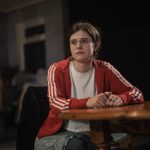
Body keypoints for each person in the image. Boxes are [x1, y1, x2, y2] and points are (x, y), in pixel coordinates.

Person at [34, 21, 144, 150]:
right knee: (78, 145)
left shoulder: (105, 68)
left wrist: (121, 98)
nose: (78, 46)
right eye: (73, 42)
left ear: (96, 44)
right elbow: (55, 102)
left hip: (100, 130)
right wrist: (88, 102)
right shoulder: (57, 69)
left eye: (84, 41)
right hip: (64, 131)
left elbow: (136, 93)